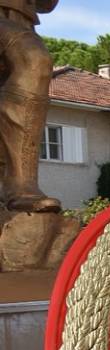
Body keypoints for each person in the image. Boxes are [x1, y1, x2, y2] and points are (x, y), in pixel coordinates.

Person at [0, 0, 61, 212]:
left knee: (35, 63)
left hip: (19, 18)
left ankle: (21, 185)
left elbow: (46, 3)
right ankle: (20, 186)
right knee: (33, 58)